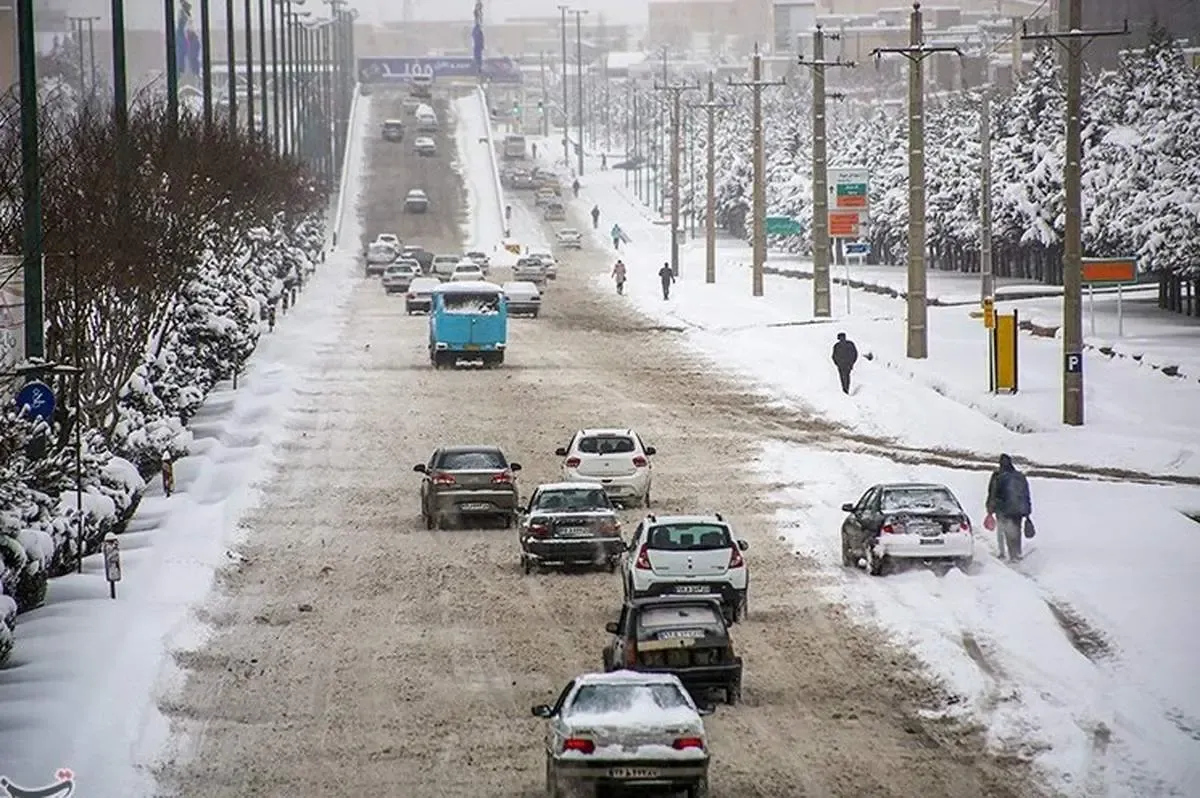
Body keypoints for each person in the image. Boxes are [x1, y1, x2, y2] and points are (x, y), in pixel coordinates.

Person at [986, 454, 1033, 562]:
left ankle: (1009, 555)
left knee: (1006, 531)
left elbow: (993, 493)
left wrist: (990, 509)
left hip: (1003, 509)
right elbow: (1026, 493)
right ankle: (1017, 552)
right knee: (1017, 530)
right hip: (1019, 509)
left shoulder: (998, 476)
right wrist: (1027, 510)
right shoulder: (1020, 476)